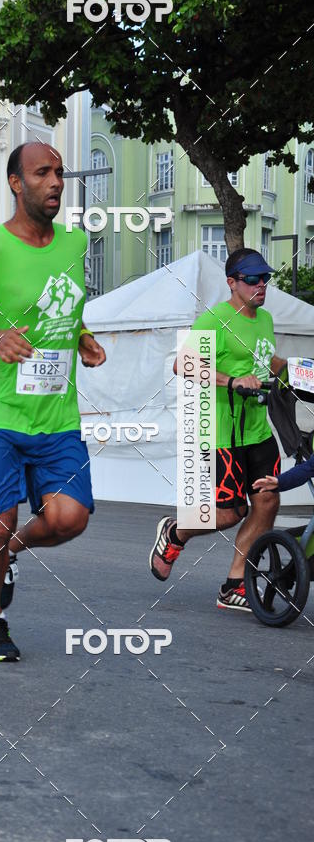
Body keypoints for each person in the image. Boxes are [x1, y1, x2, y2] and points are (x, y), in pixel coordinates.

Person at [0, 141, 106, 661]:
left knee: (70, 517)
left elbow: (64, 302)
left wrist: (82, 335)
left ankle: (11, 552)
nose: (56, 182)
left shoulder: (74, 244)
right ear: (16, 183)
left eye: (59, 172)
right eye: (42, 173)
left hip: (55, 413)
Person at [149, 248, 287, 611]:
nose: (261, 286)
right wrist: (231, 381)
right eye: (252, 279)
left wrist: (297, 372)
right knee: (229, 513)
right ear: (232, 283)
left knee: (268, 500)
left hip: (258, 430)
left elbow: (265, 359)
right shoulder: (215, 320)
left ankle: (234, 584)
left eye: (265, 279)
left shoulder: (266, 319)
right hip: (222, 433)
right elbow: (184, 365)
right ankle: (176, 532)